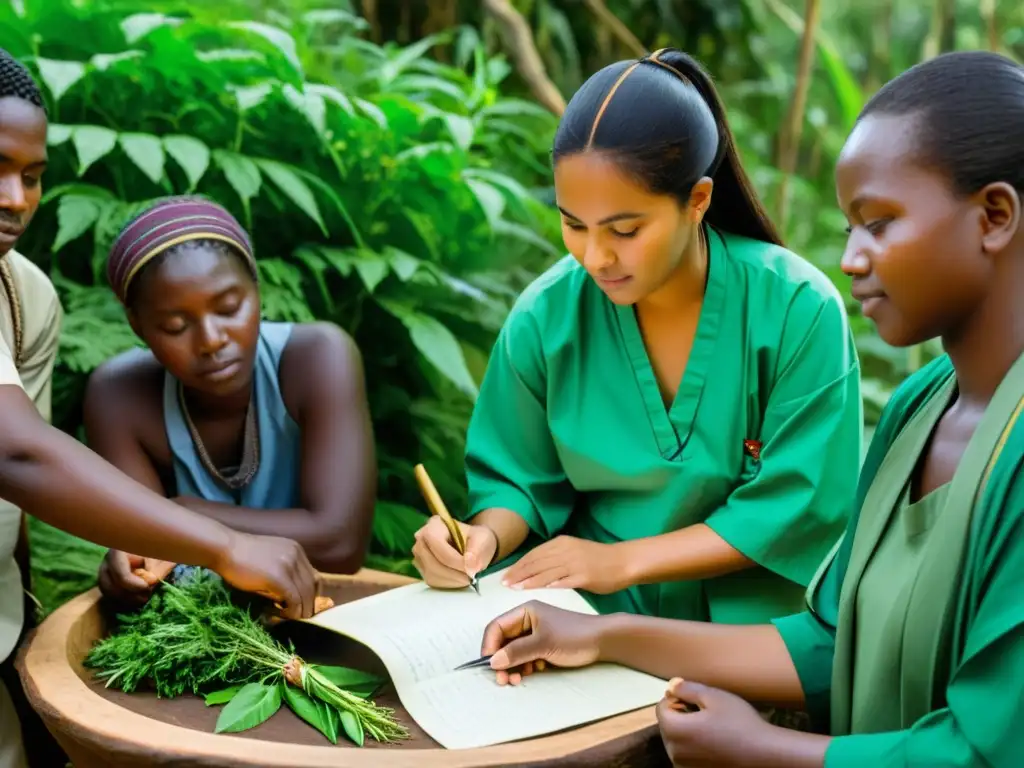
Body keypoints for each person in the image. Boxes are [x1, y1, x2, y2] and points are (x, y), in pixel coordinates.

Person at [474, 50, 1024, 767]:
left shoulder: (796, 311)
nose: (850, 258)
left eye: (878, 224)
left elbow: (987, 750)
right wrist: (598, 632)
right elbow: (834, 643)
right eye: (574, 226)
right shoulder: (919, 409)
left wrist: (765, 749)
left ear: (994, 216)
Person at [412, 48, 863, 625]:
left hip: (746, 642)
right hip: (578, 622)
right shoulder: (546, 318)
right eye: (573, 224)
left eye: (625, 230)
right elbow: (518, 482)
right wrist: (481, 541)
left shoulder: (799, 311)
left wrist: (621, 562)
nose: (595, 258)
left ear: (697, 201)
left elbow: (795, 510)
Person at [0, 48, 318, 768]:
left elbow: (15, 496)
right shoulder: (122, 389)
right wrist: (221, 544)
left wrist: (23, 620)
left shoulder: (26, 297)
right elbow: (13, 451)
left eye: (32, 175)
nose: (15, 199)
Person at [85, 195, 376, 608]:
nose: (211, 340)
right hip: (199, 623)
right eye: (174, 325)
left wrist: (180, 512)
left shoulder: (316, 358)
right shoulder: (119, 396)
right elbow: (144, 550)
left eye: (229, 308)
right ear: (138, 325)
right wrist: (124, 570)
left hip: (325, 611)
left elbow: (340, 543)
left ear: (257, 291)